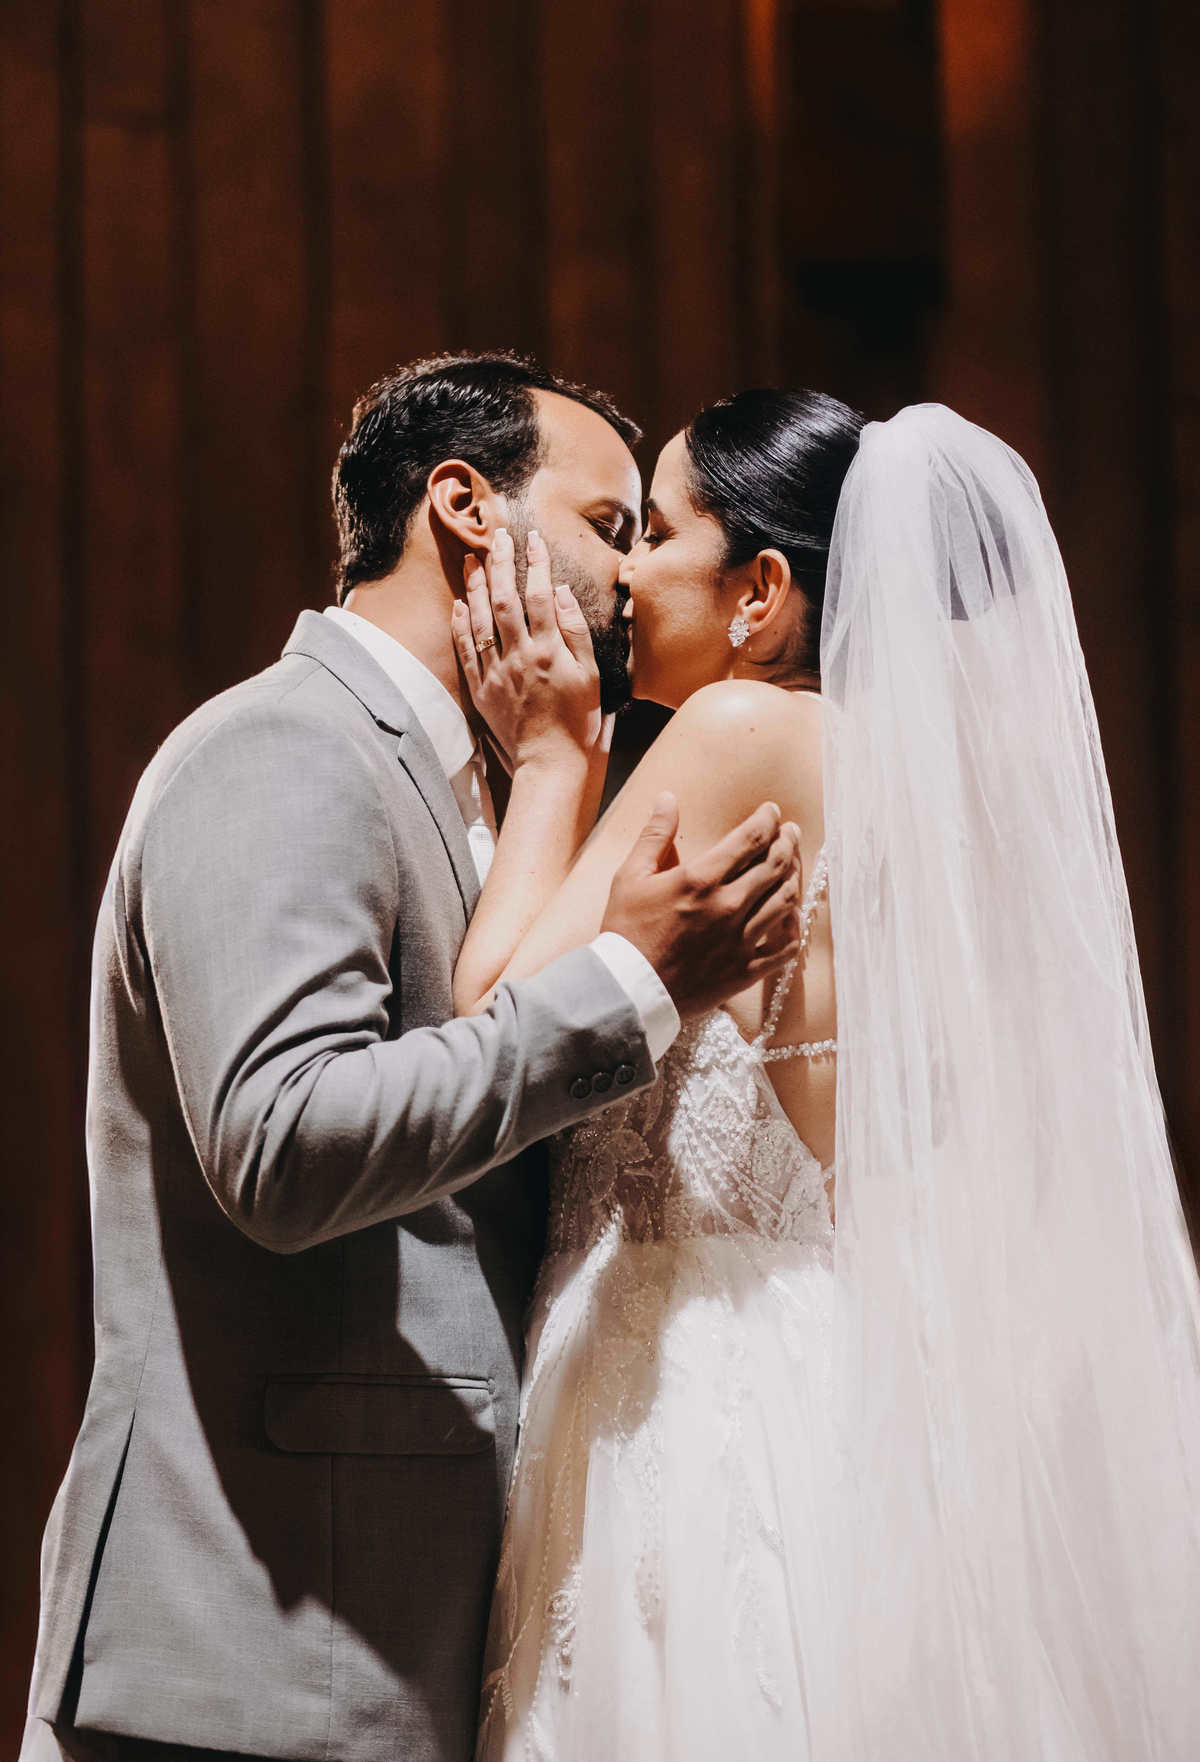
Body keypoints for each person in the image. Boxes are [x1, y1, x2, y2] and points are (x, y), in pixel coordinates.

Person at [20, 353, 805, 1762]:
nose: (630, 584)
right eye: (610, 526)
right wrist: (628, 981)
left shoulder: (492, 787)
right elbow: (281, 1137)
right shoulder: (288, 748)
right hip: (262, 1647)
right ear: (463, 507)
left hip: (407, 1635)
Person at [460, 391, 1200, 1760]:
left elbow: (497, 1018)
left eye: (659, 533)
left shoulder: (738, 728)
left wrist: (555, 758)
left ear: (759, 593)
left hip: (685, 1391)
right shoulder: (899, 777)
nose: (622, 573)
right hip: (834, 1371)